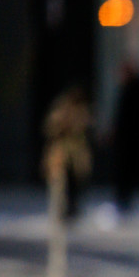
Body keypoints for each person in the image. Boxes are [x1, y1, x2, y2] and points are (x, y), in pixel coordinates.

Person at [42, 86, 92, 221]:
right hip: (63, 153)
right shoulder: (61, 108)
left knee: (75, 184)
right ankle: (62, 209)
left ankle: (72, 208)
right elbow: (51, 127)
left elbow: (85, 127)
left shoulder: (81, 110)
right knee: (60, 183)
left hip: (76, 154)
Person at [111, 60, 139, 211]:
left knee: (130, 173)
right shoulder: (131, 90)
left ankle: (127, 201)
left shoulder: (133, 91)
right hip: (128, 143)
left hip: (130, 144)